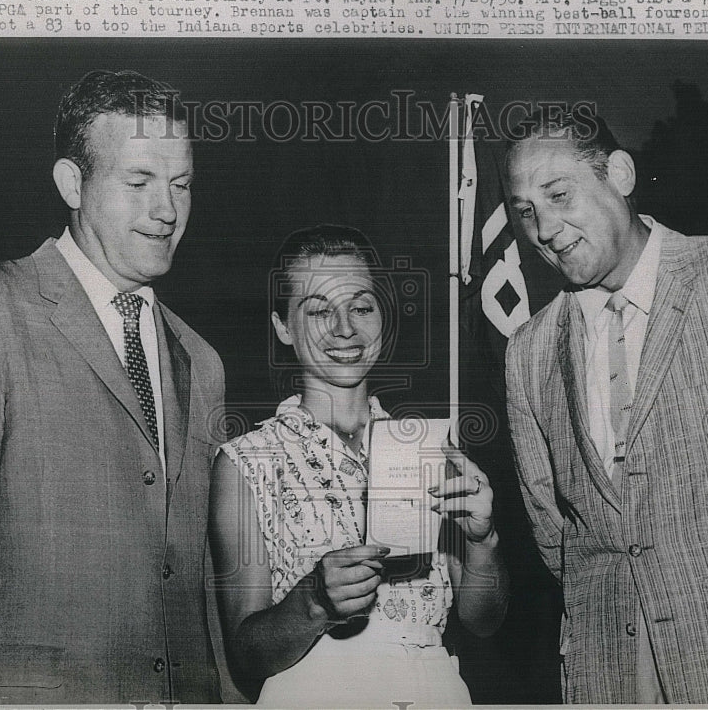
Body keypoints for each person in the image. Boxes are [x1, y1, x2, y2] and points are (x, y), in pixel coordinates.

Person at [0, 70, 229, 705]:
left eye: (180, 185)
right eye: (138, 182)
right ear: (73, 184)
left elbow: (196, 586)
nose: (166, 210)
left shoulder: (202, 359)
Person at [503, 108, 708, 704]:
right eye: (526, 211)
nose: (545, 228)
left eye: (559, 195)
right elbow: (552, 529)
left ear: (619, 173)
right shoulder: (528, 352)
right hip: (608, 670)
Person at [209, 225, 509, 707]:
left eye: (361, 307)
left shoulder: (429, 446)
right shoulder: (247, 461)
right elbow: (246, 655)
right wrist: (314, 601)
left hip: (434, 688)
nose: (344, 328)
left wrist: (483, 540)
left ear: (383, 318)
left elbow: (483, 620)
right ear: (283, 326)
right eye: (319, 310)